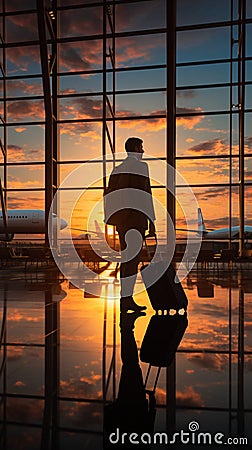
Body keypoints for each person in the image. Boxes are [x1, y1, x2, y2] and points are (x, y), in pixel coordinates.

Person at [104, 137, 156, 312]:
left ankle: (125, 298)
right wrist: (152, 221)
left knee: (127, 259)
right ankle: (126, 299)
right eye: (141, 147)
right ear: (135, 148)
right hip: (136, 219)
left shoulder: (117, 169)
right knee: (132, 260)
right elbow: (145, 194)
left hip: (122, 221)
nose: (142, 151)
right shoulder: (141, 167)